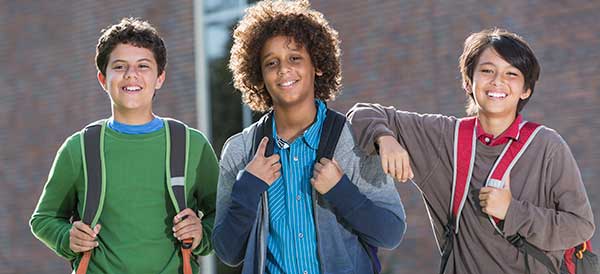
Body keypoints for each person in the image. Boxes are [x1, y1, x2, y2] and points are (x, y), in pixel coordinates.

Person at [347, 28, 594, 274]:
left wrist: (512, 212)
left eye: (512, 73)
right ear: (468, 82)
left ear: (526, 89)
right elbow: (361, 113)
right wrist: (384, 138)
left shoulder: (548, 147)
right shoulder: (443, 137)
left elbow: (580, 226)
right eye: (487, 71)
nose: (498, 81)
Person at [211, 1, 406, 273]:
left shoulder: (352, 142)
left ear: (318, 65)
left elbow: (390, 232)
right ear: (259, 76)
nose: (283, 70)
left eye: (295, 58)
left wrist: (341, 190)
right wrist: (248, 188)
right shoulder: (240, 151)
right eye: (271, 63)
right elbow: (227, 251)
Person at [29, 17, 218, 273]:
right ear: (102, 79)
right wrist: (67, 238)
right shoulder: (80, 148)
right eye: (119, 67)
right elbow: (44, 219)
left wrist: (201, 234)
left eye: (143, 66)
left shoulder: (191, 144)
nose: (131, 75)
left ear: (160, 77)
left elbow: (222, 214)